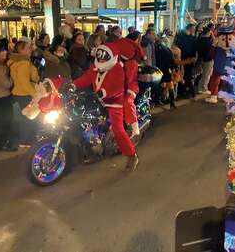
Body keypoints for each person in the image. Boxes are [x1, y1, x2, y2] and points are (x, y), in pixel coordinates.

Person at [73, 43, 139, 171]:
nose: (101, 60)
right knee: (84, 118)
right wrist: (73, 85)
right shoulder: (95, 67)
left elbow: (115, 86)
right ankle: (91, 145)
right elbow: (86, 78)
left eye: (104, 58)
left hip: (114, 102)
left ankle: (132, 155)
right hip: (98, 100)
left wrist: (103, 92)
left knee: (118, 129)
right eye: (100, 57)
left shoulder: (117, 69)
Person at [8, 40, 43, 147]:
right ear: (21, 50)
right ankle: (26, 140)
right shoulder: (23, 63)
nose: (31, 50)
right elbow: (25, 82)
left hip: (19, 94)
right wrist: (35, 94)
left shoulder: (18, 62)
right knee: (28, 117)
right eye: (28, 48)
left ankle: (27, 139)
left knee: (25, 118)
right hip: (24, 95)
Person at [175, 24, 197, 98]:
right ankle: (188, 91)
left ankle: (185, 91)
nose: (194, 30)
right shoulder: (182, 37)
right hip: (184, 59)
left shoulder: (190, 37)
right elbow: (181, 47)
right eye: (193, 29)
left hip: (188, 59)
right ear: (189, 29)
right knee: (185, 75)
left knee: (187, 75)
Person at [155, 39, 177, 109]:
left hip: (158, 69)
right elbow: (172, 60)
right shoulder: (167, 49)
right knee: (170, 84)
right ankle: (172, 103)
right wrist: (173, 68)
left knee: (161, 84)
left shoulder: (155, 49)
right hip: (166, 69)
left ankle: (158, 100)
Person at [196, 25, 214, 95]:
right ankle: (203, 88)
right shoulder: (208, 42)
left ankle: (200, 87)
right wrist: (212, 36)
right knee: (207, 74)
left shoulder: (199, 40)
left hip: (201, 59)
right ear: (208, 32)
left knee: (203, 74)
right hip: (208, 59)